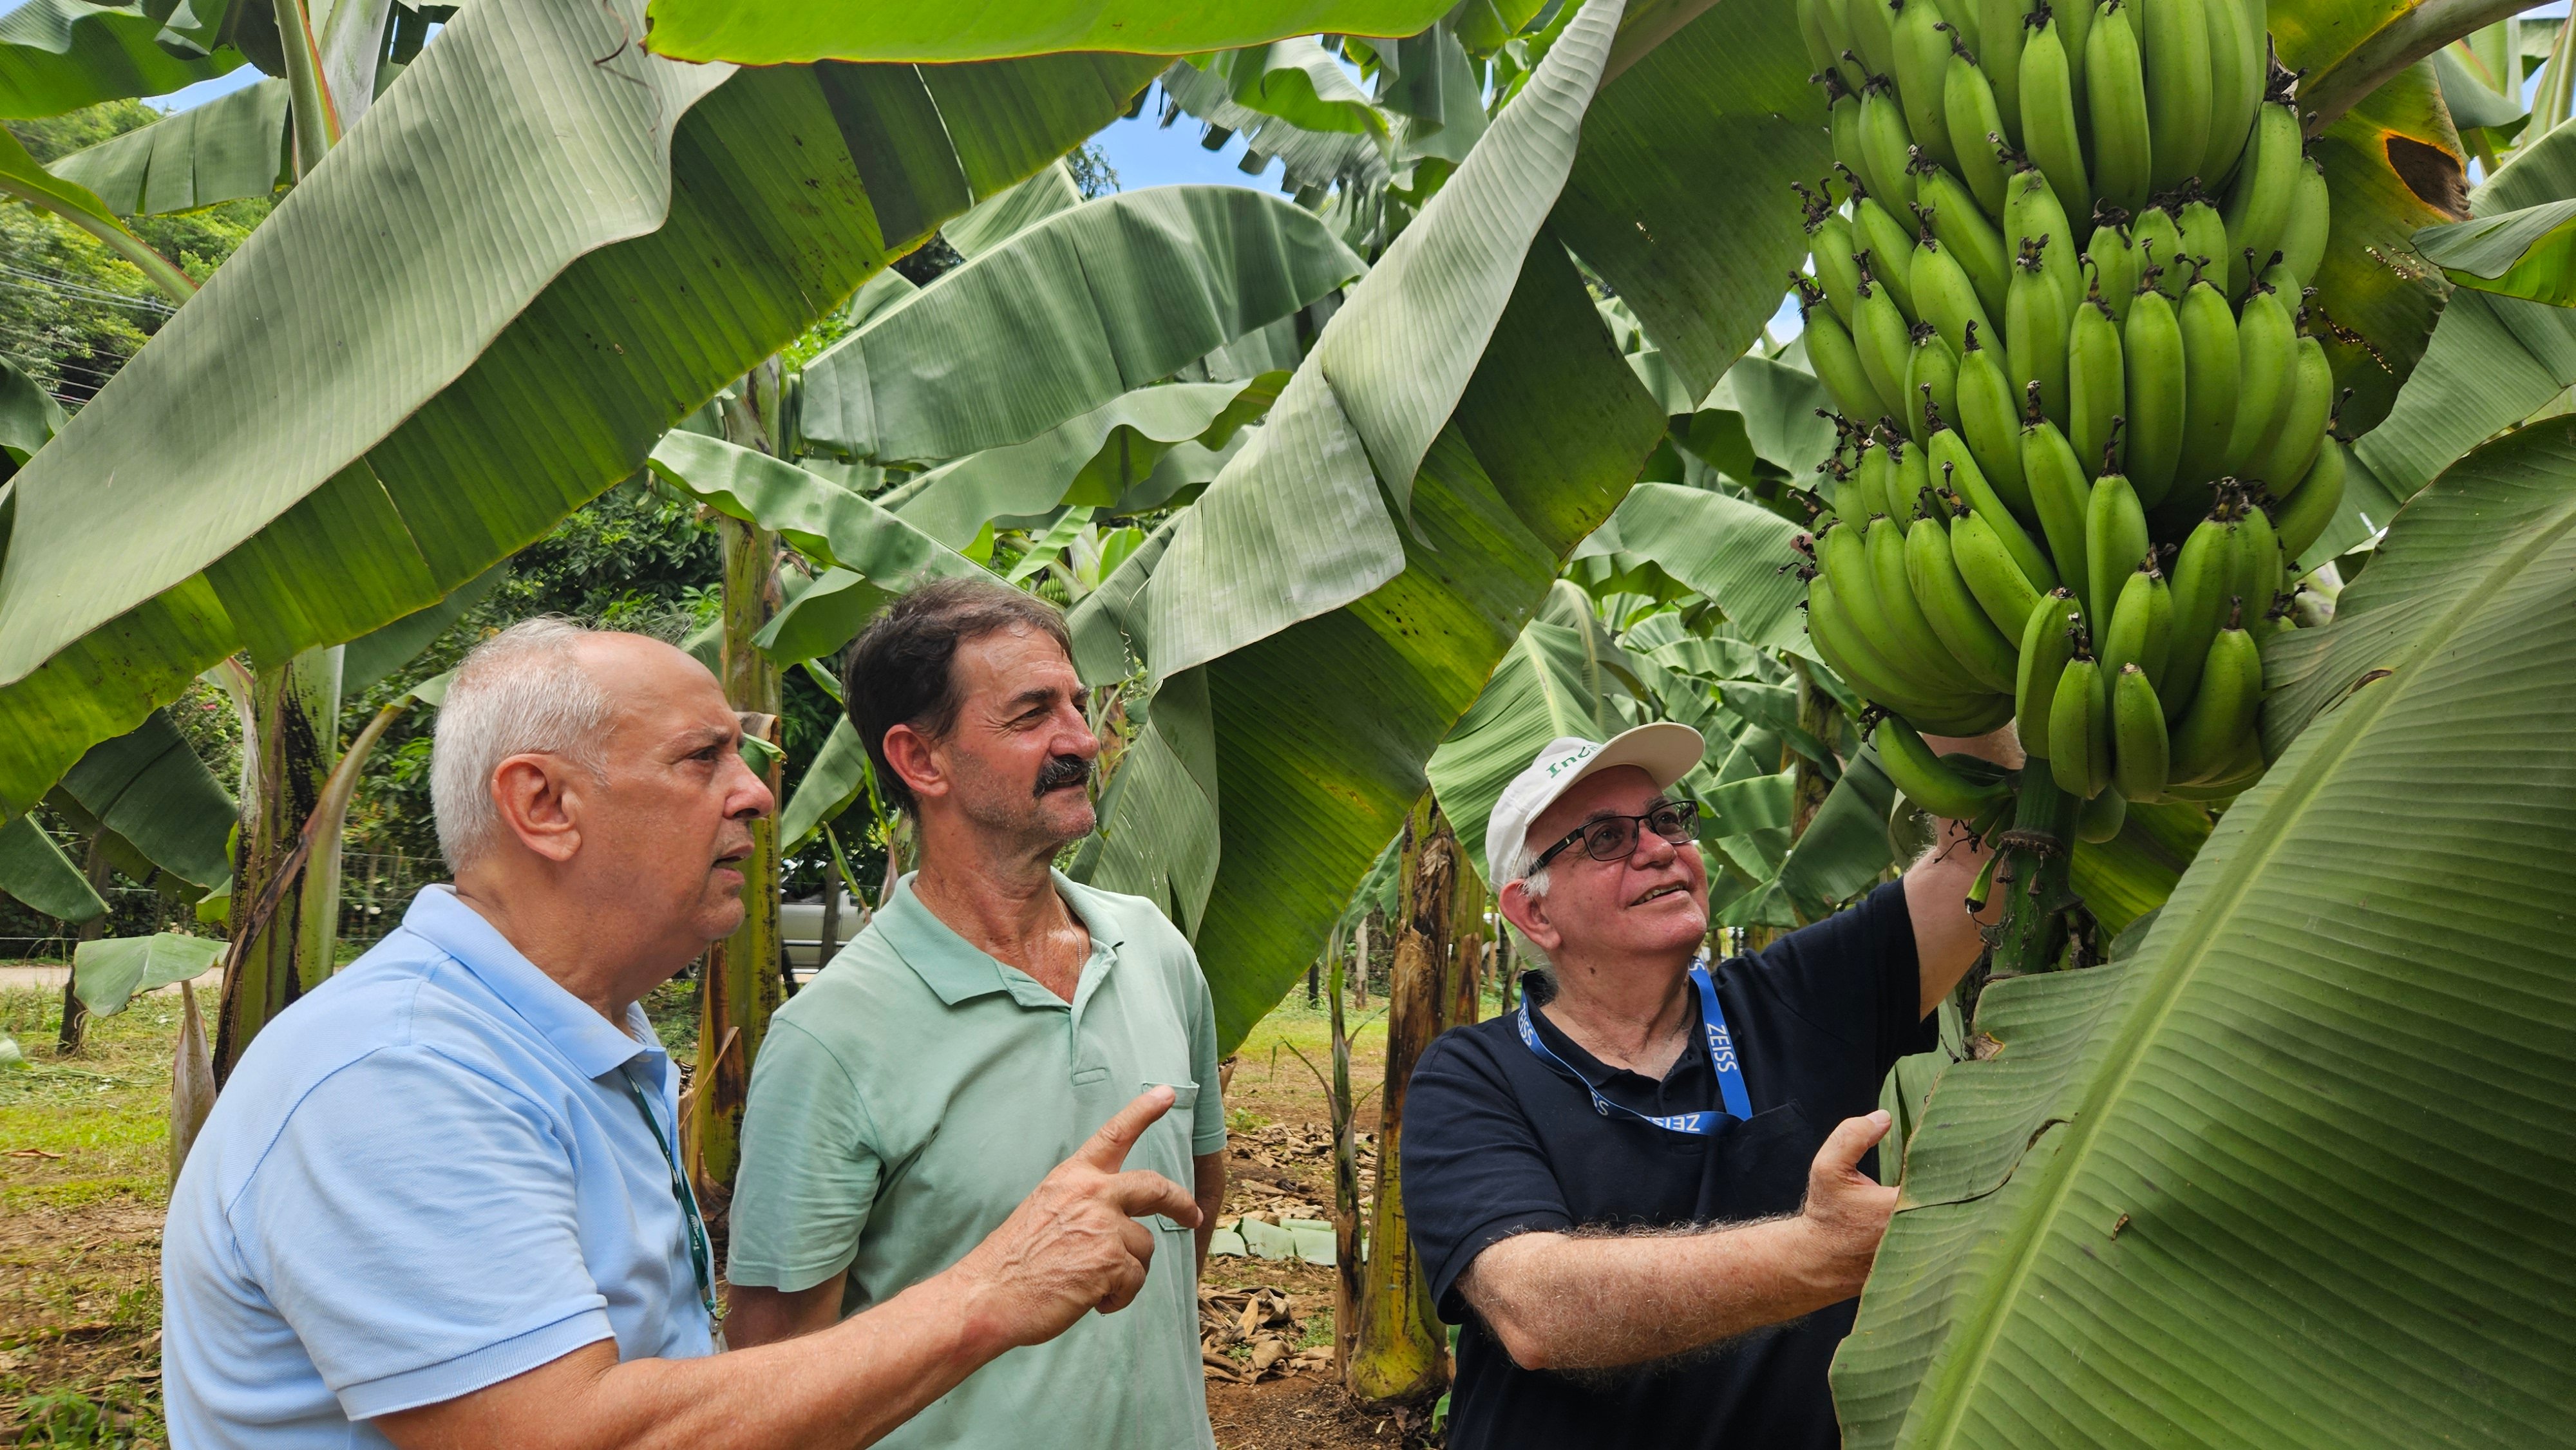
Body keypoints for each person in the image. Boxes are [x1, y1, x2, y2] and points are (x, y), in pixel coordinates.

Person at [160, 618, 1199, 1449]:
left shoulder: (583, 1042)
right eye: (704, 758)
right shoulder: (400, 1073)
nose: (755, 792)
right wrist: (989, 1291)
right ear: (542, 804)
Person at [1399, 721, 2014, 1448]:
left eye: (1664, 820)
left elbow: (1984, 858)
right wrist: (1813, 1252)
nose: (1659, 846)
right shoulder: (1472, 1074)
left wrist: (1939, 676)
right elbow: (1536, 1309)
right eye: (1604, 838)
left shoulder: (1799, 994)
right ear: (1533, 910)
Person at [722, 579, 1228, 1450]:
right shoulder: (832, 1038)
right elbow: (775, 1373)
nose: (1081, 738)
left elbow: (1193, 1206)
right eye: (1032, 714)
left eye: (1076, 702)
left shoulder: (1156, 953)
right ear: (923, 761)